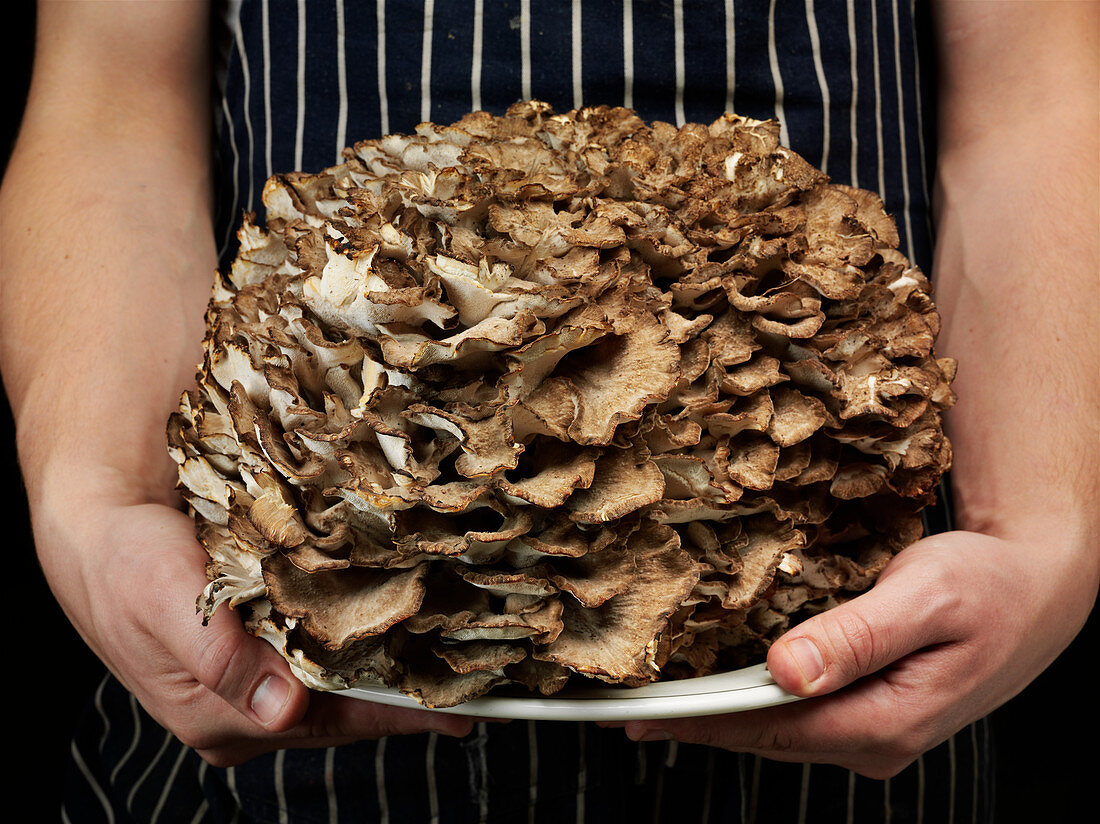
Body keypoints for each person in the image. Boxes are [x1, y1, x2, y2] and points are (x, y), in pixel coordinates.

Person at [1, 1, 1095, 821]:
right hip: (291, 718)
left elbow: (1033, 95)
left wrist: (1039, 526)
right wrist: (94, 490)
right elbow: (110, 107)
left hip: (835, 641)